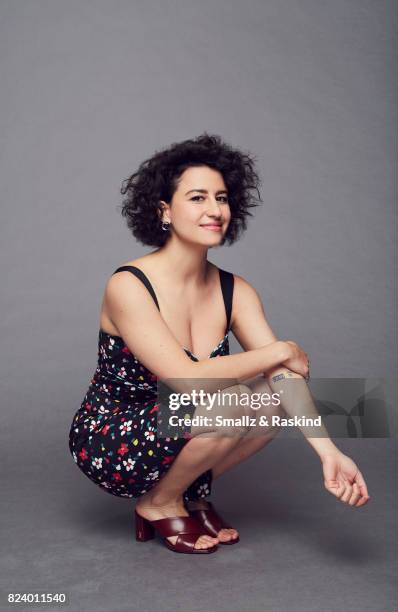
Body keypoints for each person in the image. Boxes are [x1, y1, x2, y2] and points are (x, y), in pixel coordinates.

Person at [68, 133, 370, 555]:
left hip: (182, 423)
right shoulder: (129, 285)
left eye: (222, 198)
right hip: (114, 435)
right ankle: (158, 502)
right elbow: (188, 381)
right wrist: (279, 349)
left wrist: (329, 453)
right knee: (234, 398)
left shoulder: (236, 291)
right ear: (165, 211)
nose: (215, 210)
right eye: (197, 198)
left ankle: (190, 493)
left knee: (276, 393)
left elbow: (285, 376)